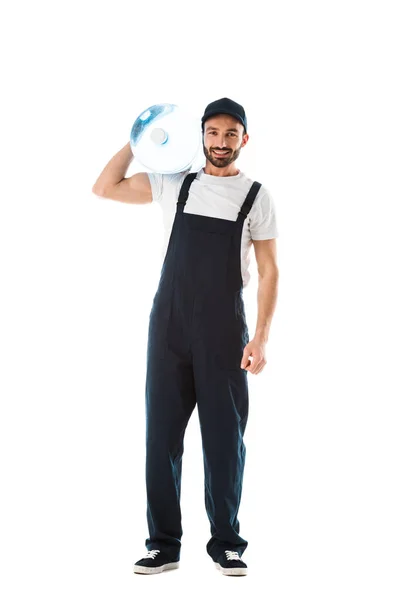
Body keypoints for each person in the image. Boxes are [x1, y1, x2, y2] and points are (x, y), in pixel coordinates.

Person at [92, 97, 279, 576]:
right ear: (201, 136)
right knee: (161, 438)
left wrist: (259, 337)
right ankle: (163, 545)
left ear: (244, 139)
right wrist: (139, 139)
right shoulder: (175, 183)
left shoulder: (256, 196)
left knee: (224, 440)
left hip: (223, 329)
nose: (220, 142)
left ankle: (226, 543)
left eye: (230, 134)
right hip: (169, 324)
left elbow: (269, 269)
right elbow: (104, 186)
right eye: (213, 133)